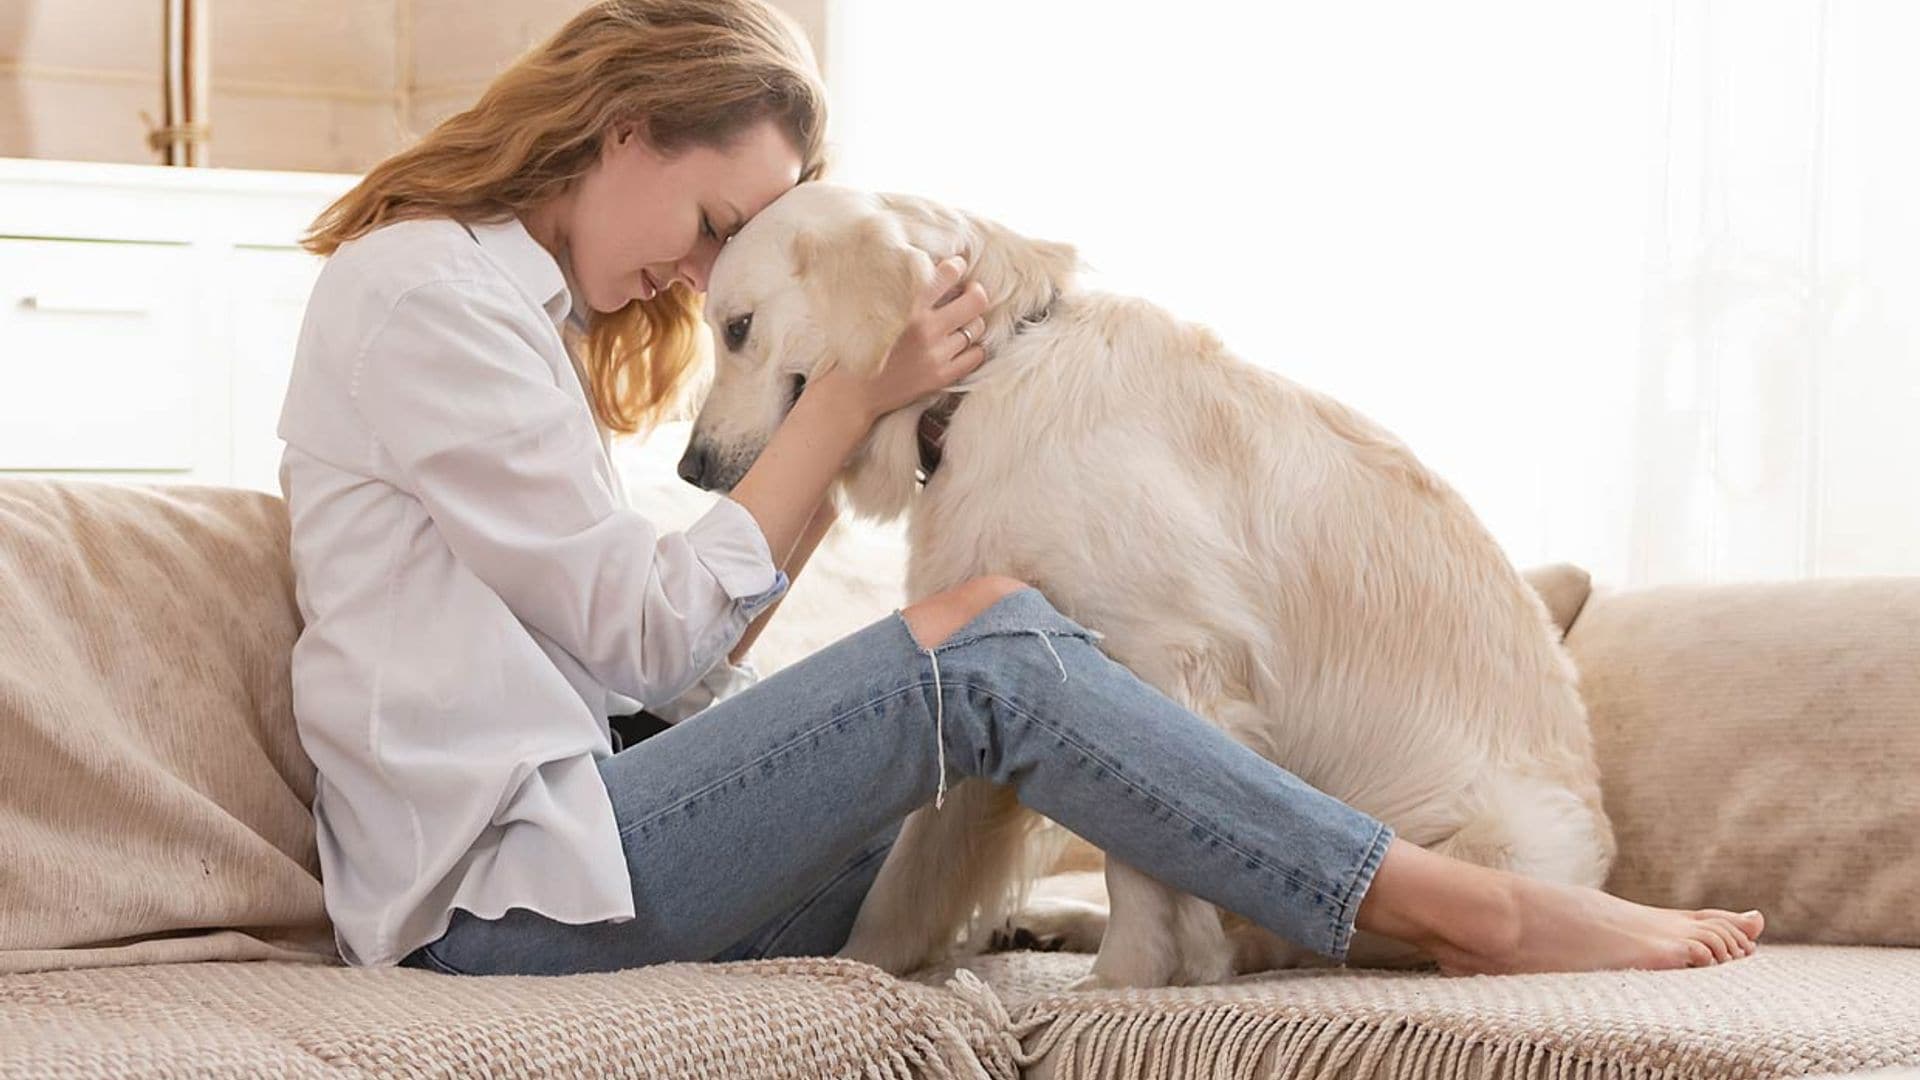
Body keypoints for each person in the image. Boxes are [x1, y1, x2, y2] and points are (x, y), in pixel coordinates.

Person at [277, 0, 1764, 979]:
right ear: (621, 128)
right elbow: (641, 636)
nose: (693, 271)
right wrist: (849, 401)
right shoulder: (424, 296)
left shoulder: (514, 318)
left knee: (986, 685)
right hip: (506, 907)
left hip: (597, 850)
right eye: (713, 220)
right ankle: (1477, 907)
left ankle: (1240, 910)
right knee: (988, 638)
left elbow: (657, 658)